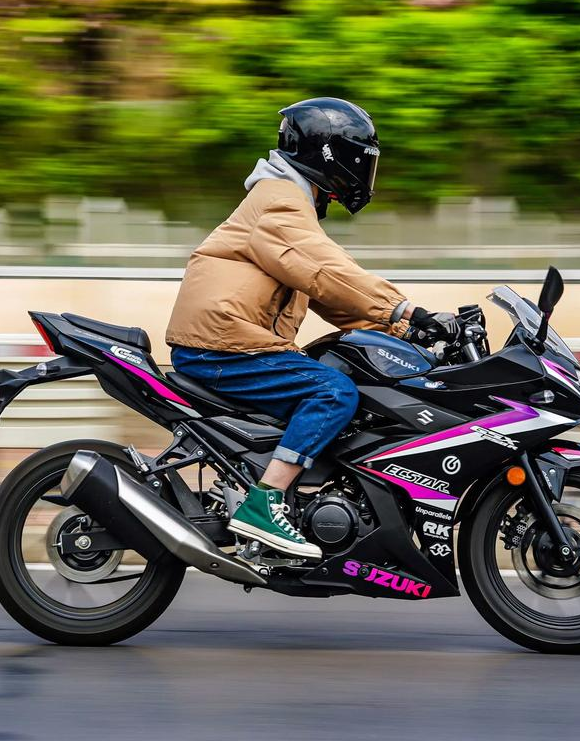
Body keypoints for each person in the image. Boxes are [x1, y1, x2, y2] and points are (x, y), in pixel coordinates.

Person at [166, 97, 455, 559]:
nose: (364, 172)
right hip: (222, 346)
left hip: (231, 342)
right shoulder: (279, 201)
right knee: (333, 393)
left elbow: (328, 293)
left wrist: (407, 334)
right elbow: (327, 272)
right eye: (360, 159)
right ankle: (264, 503)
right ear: (331, 154)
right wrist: (404, 310)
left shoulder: (285, 201)